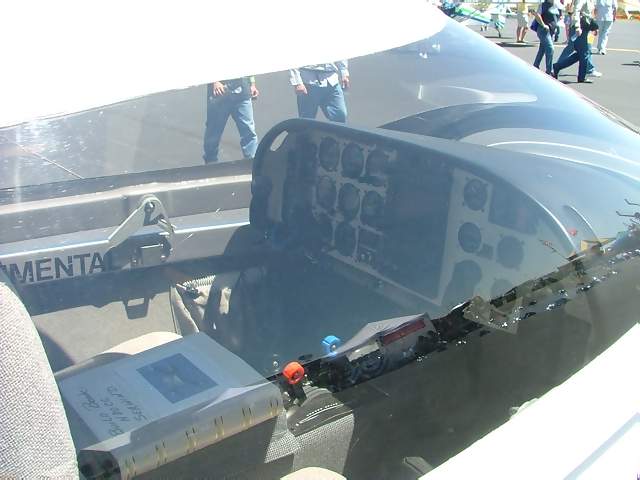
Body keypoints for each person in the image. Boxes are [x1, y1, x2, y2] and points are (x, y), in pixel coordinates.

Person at [203, 77, 259, 163]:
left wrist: (252, 84)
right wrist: (215, 82)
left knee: (249, 131)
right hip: (219, 92)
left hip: (242, 91)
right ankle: (210, 163)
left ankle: (252, 162)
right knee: (213, 133)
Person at [552, 0, 599, 83]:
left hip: (585, 28)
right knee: (584, 54)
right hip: (579, 28)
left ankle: (558, 67)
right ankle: (581, 77)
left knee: (581, 54)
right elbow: (576, 11)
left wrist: (594, 27)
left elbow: (589, 14)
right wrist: (577, 26)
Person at [532, 0, 560, 75]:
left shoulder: (556, 5)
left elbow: (558, 17)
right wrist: (543, 24)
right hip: (543, 30)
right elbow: (537, 15)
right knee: (550, 48)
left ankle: (535, 66)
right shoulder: (543, 5)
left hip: (551, 31)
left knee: (542, 49)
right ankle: (549, 71)